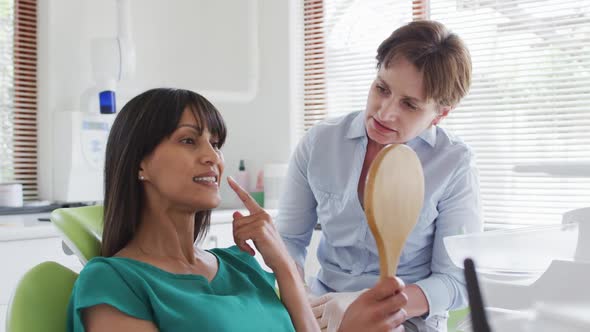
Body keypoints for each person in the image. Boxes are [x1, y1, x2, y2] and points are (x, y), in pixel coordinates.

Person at [66, 88, 409, 332]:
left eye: (215, 144)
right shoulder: (112, 281)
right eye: (189, 140)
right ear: (140, 162)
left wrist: (284, 267)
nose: (213, 157)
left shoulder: (240, 265)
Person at [277, 20, 482, 332]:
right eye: (381, 89)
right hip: (322, 309)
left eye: (410, 105)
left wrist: (375, 303)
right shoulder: (320, 143)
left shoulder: (454, 163)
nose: (385, 112)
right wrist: (298, 296)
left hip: (405, 320)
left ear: (440, 114)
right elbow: (289, 239)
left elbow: (457, 282)